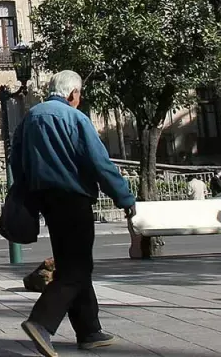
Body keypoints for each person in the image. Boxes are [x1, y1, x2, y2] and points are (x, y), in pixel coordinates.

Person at [12, 70, 136, 357]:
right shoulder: (75, 118)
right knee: (75, 269)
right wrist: (124, 197)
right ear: (72, 94)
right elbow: (99, 163)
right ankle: (41, 322)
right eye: (79, 94)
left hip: (46, 200)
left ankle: (89, 330)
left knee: (75, 263)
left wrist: (27, 191)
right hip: (74, 198)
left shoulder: (31, 117)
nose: (79, 99)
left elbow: (15, 159)